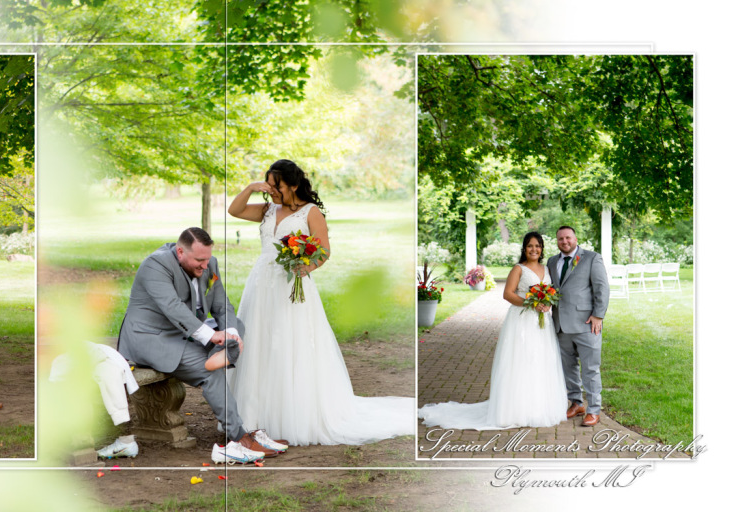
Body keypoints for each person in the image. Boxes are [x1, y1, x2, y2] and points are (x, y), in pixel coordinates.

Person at [227, 159, 415, 445]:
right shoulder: (267, 209)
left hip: (291, 284)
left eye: (276, 186)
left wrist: (306, 267)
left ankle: (292, 413)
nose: (271, 191)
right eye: (268, 185)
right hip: (261, 285)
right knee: (259, 343)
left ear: (293, 185)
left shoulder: (310, 213)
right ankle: (254, 413)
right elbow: (235, 210)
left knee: (289, 343)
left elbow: (323, 250)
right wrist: (252, 187)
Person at [117, 228, 286, 463]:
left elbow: (221, 305)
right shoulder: (155, 265)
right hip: (152, 338)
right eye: (199, 260)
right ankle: (237, 438)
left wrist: (230, 334)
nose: (205, 266)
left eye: (207, 259)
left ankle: (224, 351)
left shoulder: (209, 264)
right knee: (211, 372)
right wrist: (211, 336)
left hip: (184, 332)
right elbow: (173, 308)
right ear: (179, 252)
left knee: (236, 324)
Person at [418, 232, 567, 429]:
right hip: (521, 322)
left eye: (537, 246)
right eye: (530, 246)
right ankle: (515, 410)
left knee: (540, 361)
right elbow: (507, 294)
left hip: (542, 324)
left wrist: (546, 304)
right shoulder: (518, 269)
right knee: (520, 362)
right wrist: (531, 304)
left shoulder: (547, 268)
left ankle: (538, 408)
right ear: (524, 248)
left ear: (542, 248)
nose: (534, 249)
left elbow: (551, 293)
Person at [547, 226, 609, 427]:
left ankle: (593, 409)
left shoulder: (592, 258)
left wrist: (598, 315)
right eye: (560, 239)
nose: (564, 242)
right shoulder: (552, 261)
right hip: (560, 324)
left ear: (575, 238)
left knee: (590, 368)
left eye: (567, 238)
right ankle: (576, 402)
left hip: (587, 324)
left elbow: (602, 288)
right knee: (569, 368)